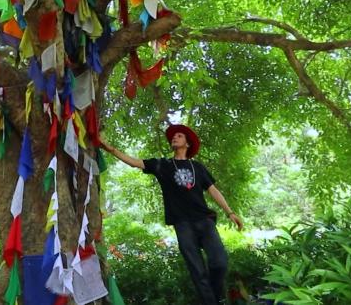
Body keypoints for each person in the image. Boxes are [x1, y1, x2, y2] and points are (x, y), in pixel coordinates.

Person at [100, 124, 244, 305]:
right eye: (173, 137)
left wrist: (230, 212)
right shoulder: (163, 165)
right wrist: (110, 148)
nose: (174, 138)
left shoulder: (197, 167)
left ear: (188, 143)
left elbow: (213, 190)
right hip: (182, 224)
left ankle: (212, 299)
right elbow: (134, 162)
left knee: (219, 262)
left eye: (179, 136)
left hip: (204, 220)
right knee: (197, 271)